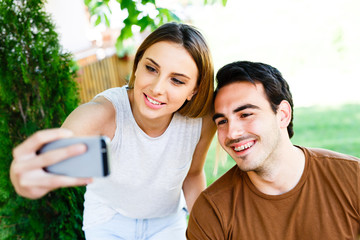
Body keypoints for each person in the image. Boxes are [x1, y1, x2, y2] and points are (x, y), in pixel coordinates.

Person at [10, 22, 216, 239]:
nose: (156, 88)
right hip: (108, 220)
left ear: (194, 90)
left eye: (176, 80)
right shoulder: (104, 114)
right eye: (151, 68)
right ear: (137, 65)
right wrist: (24, 176)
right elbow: (48, 162)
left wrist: (204, 231)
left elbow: (192, 175)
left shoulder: (201, 122)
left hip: (166, 221)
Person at [187, 61, 360, 239]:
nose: (232, 133)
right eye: (222, 121)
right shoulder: (212, 210)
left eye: (245, 115)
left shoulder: (353, 177)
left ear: (283, 115)